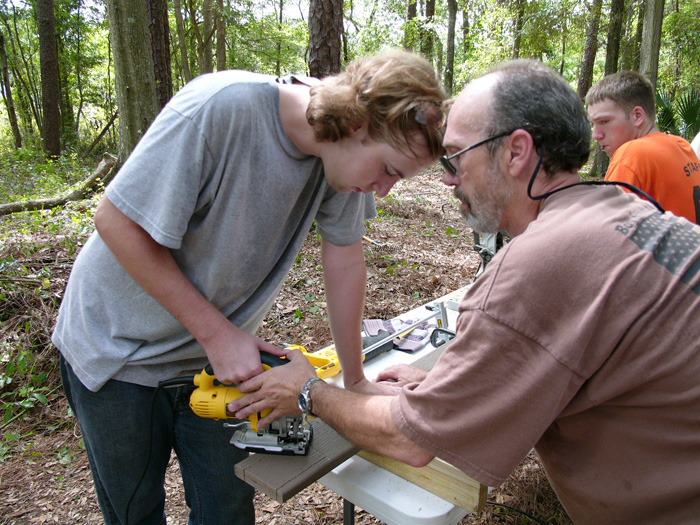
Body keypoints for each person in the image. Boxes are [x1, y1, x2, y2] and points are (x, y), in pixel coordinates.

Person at [231, 59, 700, 524]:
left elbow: (411, 441)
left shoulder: (537, 264)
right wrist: (456, 390)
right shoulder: (618, 210)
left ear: (516, 152)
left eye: (455, 157)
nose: (447, 179)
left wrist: (309, 390)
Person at [53, 49, 446, 525]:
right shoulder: (220, 108)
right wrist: (218, 334)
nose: (383, 189)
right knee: (135, 512)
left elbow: (344, 260)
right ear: (359, 124)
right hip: (117, 353)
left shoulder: (343, 168)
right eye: (389, 171)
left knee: (228, 508)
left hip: (218, 365)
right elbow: (113, 222)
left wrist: (357, 381)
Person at [586, 70, 700, 224]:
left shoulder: (632, 154)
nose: (596, 135)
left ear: (637, 116)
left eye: (604, 121)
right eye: (593, 124)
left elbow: (603, 231)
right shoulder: (681, 144)